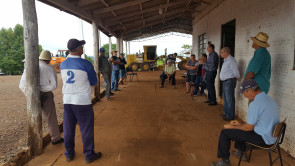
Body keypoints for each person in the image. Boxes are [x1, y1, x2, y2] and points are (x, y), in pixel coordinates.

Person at [211, 79, 280, 166]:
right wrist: (240, 125)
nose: (245, 96)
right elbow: (255, 124)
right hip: (271, 137)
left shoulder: (255, 104)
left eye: (244, 93)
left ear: (250, 90)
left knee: (225, 133)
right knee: (241, 128)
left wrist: (232, 127)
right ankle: (240, 152)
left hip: (263, 139)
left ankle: (224, 162)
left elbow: (249, 128)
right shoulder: (269, 99)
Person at [61, 39, 102, 163]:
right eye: (82, 47)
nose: (83, 49)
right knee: (86, 129)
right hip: (82, 102)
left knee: (68, 128)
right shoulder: (86, 64)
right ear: (78, 49)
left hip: (67, 100)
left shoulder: (63, 64)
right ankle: (89, 155)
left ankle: (69, 154)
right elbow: (94, 82)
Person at [19, 50, 64, 145]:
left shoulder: (29, 67)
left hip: (32, 95)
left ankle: (34, 142)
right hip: (46, 95)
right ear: (48, 60)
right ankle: (55, 138)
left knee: (33, 117)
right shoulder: (49, 68)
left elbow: (22, 85)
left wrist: (31, 93)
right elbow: (54, 85)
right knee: (50, 116)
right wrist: (42, 88)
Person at [219, 47, 240, 121]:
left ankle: (230, 116)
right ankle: (226, 113)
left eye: (221, 52)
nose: (220, 53)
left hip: (229, 81)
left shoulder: (231, 60)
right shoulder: (226, 60)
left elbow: (235, 70)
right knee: (225, 98)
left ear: (226, 52)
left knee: (229, 99)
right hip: (225, 81)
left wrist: (237, 77)